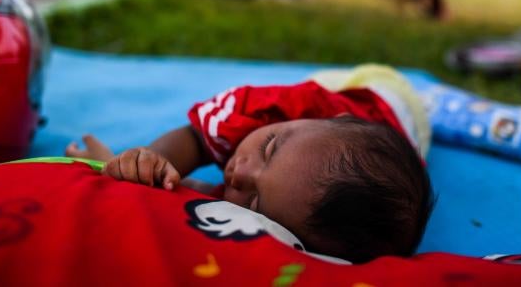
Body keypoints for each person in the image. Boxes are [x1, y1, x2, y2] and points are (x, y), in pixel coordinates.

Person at [65, 65, 434, 264]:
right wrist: (148, 161)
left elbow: (198, 201)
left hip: (401, 135)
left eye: (255, 202)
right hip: (375, 89)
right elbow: (194, 138)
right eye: (270, 148)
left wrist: (184, 190)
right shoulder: (273, 112)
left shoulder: (296, 200)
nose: (240, 171)